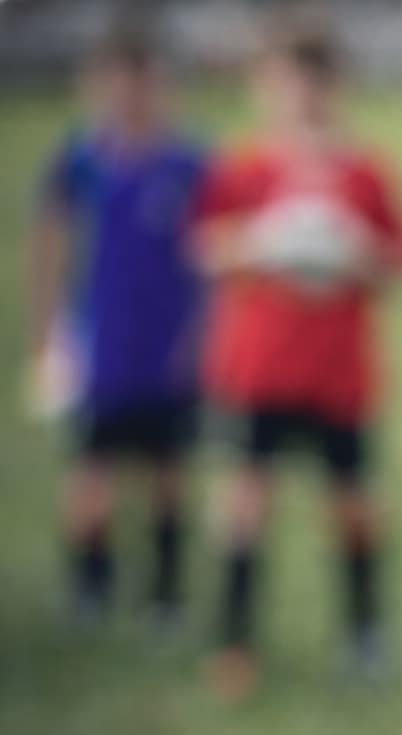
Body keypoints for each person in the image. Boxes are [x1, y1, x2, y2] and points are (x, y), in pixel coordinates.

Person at [191, 13, 402, 696]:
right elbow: (206, 247)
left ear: (334, 86)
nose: (301, 98)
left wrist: (352, 250)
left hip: (338, 372)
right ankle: (234, 644)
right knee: (246, 502)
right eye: (285, 83)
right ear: (264, 88)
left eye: (313, 84)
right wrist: (265, 243)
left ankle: (365, 633)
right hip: (259, 369)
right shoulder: (245, 166)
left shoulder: (363, 170)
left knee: (352, 506)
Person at [27, 26, 207, 629]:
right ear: (100, 85)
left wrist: (202, 335)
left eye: (145, 82)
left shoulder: (188, 163)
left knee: (168, 475)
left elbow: (208, 260)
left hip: (168, 345)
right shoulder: (81, 160)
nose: (131, 95)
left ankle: (166, 593)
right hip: (102, 345)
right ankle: (91, 586)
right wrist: (48, 333)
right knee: (91, 477)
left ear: (162, 86)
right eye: (119, 82)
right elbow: (50, 246)